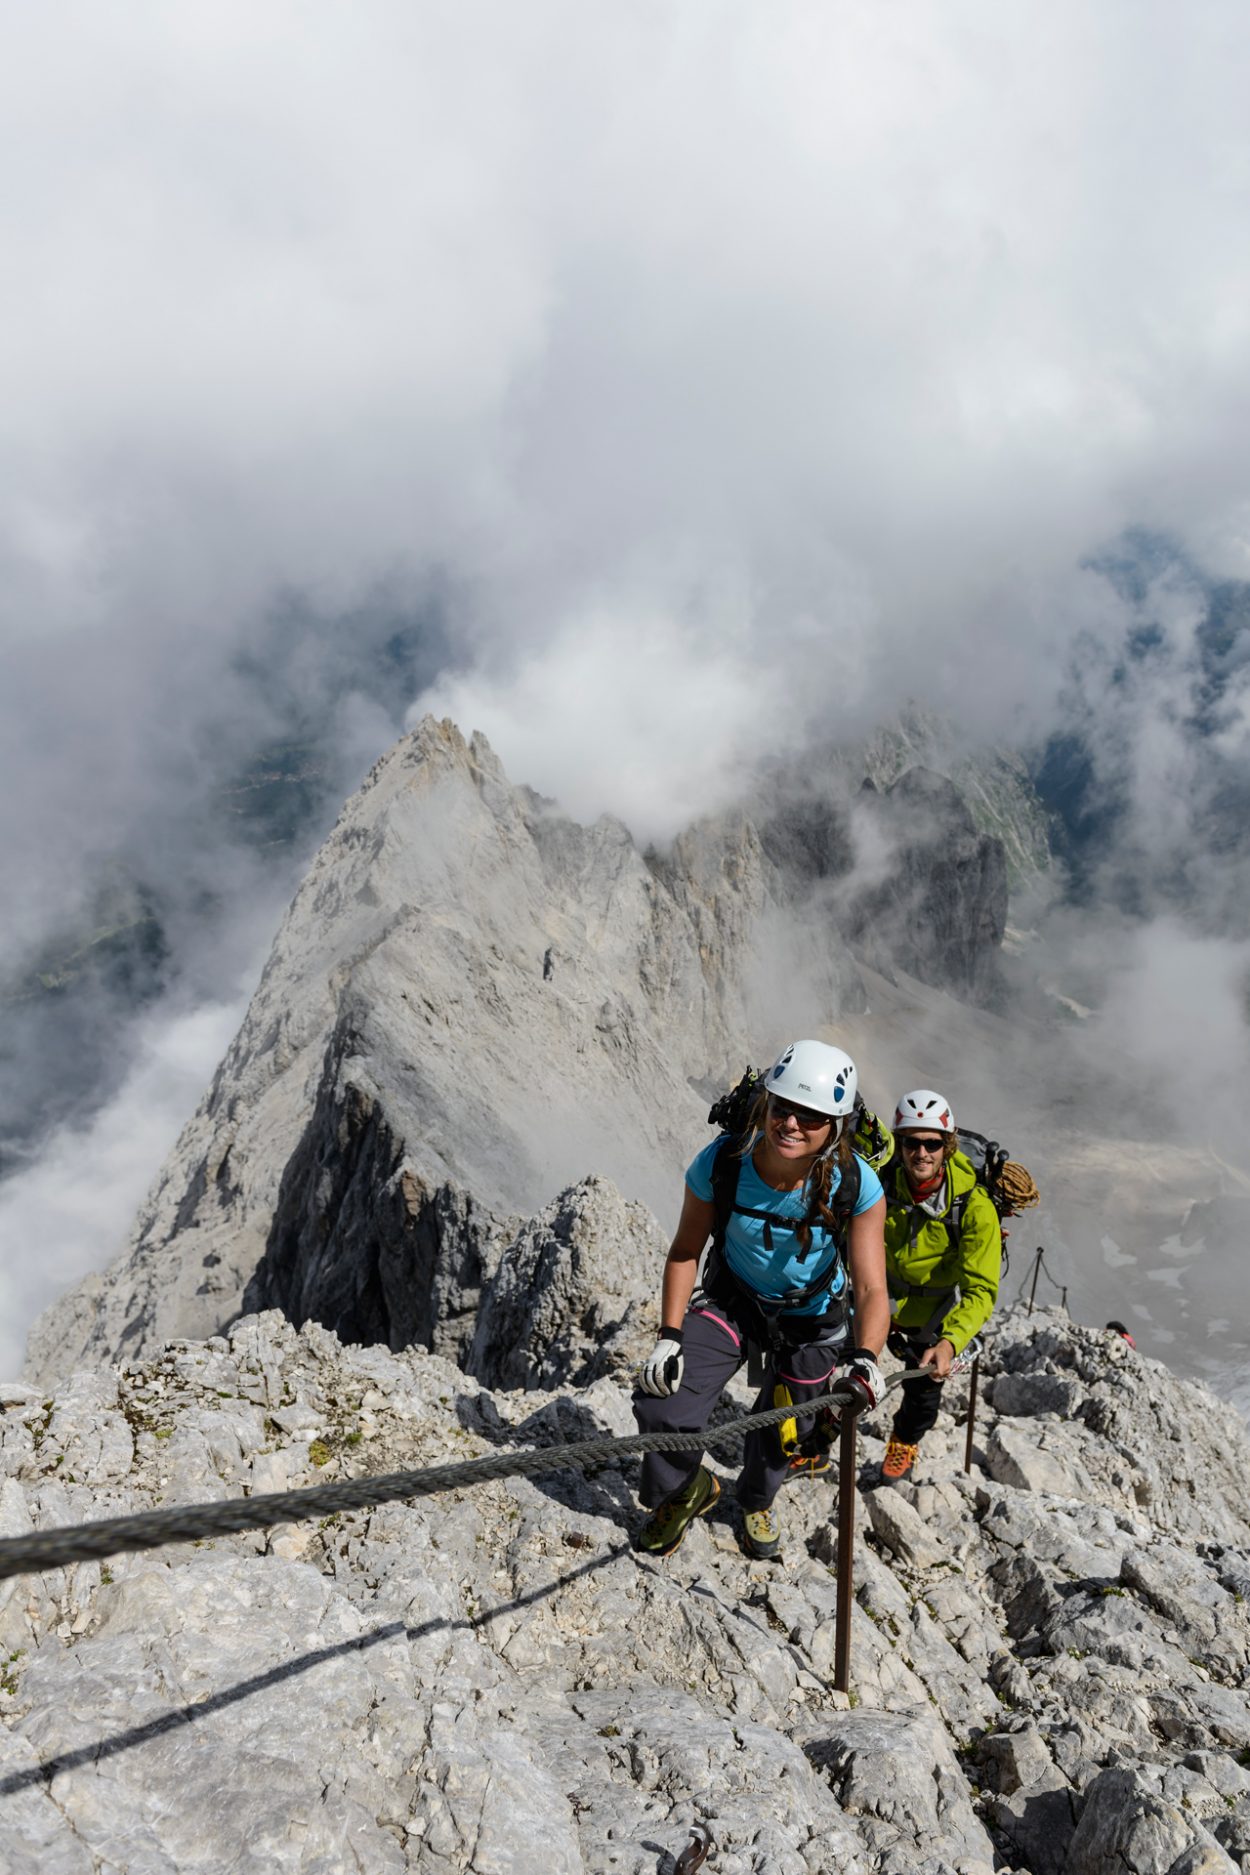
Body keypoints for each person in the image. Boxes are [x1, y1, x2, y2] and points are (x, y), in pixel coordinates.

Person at [632, 1039, 889, 1560]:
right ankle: (685, 1490)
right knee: (663, 1403)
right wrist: (669, 1337)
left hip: (812, 1319)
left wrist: (866, 1358)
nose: (791, 1123)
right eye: (782, 1107)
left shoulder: (856, 1183)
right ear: (765, 1104)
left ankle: (756, 1498)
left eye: (810, 1116)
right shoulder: (724, 1162)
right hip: (734, 1302)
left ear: (835, 1126)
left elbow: (871, 1287)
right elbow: (685, 1251)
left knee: (789, 1427)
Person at [879, 1087, 1002, 1486]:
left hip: (933, 1314)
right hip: (877, 1299)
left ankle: (904, 1441)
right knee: (823, 1361)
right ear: (899, 1145)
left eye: (932, 1143)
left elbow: (980, 1290)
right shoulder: (880, 1185)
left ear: (948, 1146)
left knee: (924, 1390)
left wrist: (950, 1342)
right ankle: (813, 1444)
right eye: (911, 1142)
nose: (921, 1153)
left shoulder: (974, 1207)